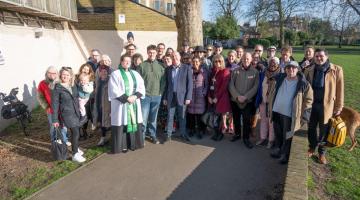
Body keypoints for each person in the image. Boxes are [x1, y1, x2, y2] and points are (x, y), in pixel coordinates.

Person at [304, 48, 344, 164]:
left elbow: (340, 90)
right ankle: (312, 147)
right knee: (311, 127)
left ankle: (322, 152)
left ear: (326, 56)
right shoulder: (309, 70)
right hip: (312, 105)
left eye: (321, 56)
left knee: (324, 130)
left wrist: (339, 107)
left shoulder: (336, 70)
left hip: (327, 106)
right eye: (316, 56)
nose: (319, 58)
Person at [268, 61, 313, 164]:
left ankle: (285, 155)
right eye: (288, 68)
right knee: (278, 134)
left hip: (289, 115)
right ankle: (278, 150)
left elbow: (309, 100)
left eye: (293, 68)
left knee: (287, 136)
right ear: (285, 69)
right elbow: (271, 92)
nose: (291, 70)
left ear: (298, 69)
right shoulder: (280, 78)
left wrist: (305, 116)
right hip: (276, 111)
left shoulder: (303, 83)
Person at [108, 55, 146, 153]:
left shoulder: (135, 73)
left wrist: (135, 96)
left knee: (134, 121)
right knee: (122, 121)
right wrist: (126, 98)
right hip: (121, 104)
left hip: (134, 103)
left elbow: (141, 87)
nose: (127, 62)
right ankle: (122, 146)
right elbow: (114, 89)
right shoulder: (115, 74)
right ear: (121, 62)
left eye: (129, 61)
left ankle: (133, 144)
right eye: (125, 61)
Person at [52, 67, 85, 163]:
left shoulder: (73, 85)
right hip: (66, 114)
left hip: (75, 112)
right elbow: (54, 105)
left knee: (76, 131)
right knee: (75, 132)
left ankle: (76, 147)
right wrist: (55, 120)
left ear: (71, 76)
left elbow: (78, 96)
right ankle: (75, 154)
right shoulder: (57, 88)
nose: (65, 76)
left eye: (67, 74)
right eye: (63, 74)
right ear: (60, 75)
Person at [229, 53, 259, 149]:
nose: (246, 60)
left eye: (248, 59)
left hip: (248, 101)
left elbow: (256, 87)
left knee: (246, 120)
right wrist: (237, 96)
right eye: (244, 58)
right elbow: (231, 85)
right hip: (235, 100)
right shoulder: (235, 71)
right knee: (236, 118)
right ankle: (237, 134)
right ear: (241, 59)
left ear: (251, 60)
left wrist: (246, 97)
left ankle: (246, 138)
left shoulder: (255, 72)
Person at [137, 45, 165, 144]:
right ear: (147, 53)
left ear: (156, 53)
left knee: (153, 119)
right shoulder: (142, 66)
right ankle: (142, 137)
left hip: (157, 96)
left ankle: (152, 135)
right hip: (145, 97)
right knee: (144, 119)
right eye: (150, 52)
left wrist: (161, 92)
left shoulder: (161, 66)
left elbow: (163, 81)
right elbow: (138, 82)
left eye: (153, 52)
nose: (152, 54)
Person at [163, 52, 193, 142]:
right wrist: (165, 97)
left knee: (182, 116)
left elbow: (190, 84)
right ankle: (168, 135)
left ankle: (183, 134)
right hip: (171, 96)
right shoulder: (168, 69)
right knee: (170, 116)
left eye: (176, 56)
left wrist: (188, 97)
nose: (174, 57)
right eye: (173, 56)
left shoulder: (186, 68)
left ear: (180, 57)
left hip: (182, 97)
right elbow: (167, 85)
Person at [37, 66, 70, 146]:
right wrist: (46, 106)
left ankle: (64, 139)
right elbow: (40, 97)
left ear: (57, 74)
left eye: (54, 73)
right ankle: (54, 140)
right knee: (53, 126)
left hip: (62, 108)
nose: (52, 75)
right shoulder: (42, 83)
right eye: (50, 73)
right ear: (46, 73)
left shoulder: (60, 82)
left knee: (63, 125)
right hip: (51, 109)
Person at [255, 57, 281, 148]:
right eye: (271, 62)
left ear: (278, 64)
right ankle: (263, 138)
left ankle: (270, 140)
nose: (273, 64)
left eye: (275, 63)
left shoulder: (280, 75)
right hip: (263, 101)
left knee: (271, 122)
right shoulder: (263, 74)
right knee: (263, 121)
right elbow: (259, 87)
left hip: (273, 103)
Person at [208, 55, 232, 141]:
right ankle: (216, 133)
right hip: (213, 97)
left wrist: (217, 97)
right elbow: (209, 85)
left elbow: (223, 87)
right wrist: (209, 96)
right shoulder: (212, 72)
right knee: (214, 116)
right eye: (215, 61)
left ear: (222, 62)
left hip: (221, 98)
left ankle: (220, 134)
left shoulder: (225, 71)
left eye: (219, 61)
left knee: (220, 117)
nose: (217, 63)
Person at [187, 56, 209, 139]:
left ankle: (200, 131)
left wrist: (204, 92)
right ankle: (192, 129)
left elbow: (206, 84)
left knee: (200, 115)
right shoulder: (190, 71)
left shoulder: (204, 72)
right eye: (194, 61)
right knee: (191, 115)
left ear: (200, 62)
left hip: (200, 97)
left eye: (197, 61)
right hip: (191, 96)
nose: (195, 63)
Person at [93, 65, 112, 146]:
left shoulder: (110, 82)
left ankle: (111, 138)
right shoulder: (98, 81)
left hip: (107, 106)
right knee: (101, 123)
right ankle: (103, 138)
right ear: (99, 73)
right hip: (99, 106)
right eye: (101, 71)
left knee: (109, 123)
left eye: (105, 71)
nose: (103, 73)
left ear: (108, 72)